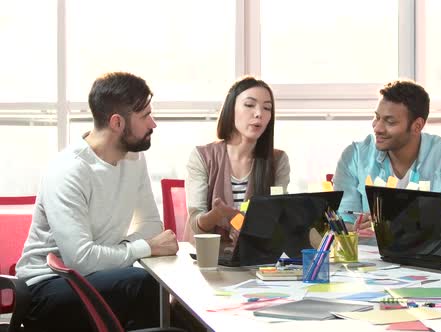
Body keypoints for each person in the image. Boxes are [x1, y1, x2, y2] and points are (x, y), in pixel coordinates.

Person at [15, 72, 179, 331]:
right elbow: (80, 260)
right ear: (117, 123)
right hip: (47, 287)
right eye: (145, 116)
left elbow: (150, 224)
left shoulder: (133, 159)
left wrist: (122, 248)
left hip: (98, 277)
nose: (153, 124)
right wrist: (143, 248)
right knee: (145, 283)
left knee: (176, 309)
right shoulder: (69, 170)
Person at [333, 80, 441, 232]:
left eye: (390, 122)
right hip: (367, 254)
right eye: (377, 117)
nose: (378, 128)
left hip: (427, 254)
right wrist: (357, 228)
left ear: (417, 126)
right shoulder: (354, 157)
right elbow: (343, 221)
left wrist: (391, 225)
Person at [184, 76, 290, 248]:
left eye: (267, 108)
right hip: (208, 259)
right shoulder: (202, 156)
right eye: (249, 105)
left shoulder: (278, 161)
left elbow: (277, 218)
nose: (259, 114)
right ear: (231, 109)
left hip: (257, 259)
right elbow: (196, 224)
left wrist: (245, 225)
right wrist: (218, 214)